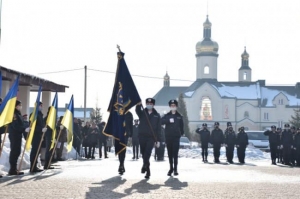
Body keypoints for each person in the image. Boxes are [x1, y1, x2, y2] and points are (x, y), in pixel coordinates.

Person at [136, 98, 161, 179]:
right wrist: (138, 104)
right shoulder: (143, 112)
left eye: (150, 103)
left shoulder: (157, 115)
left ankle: (144, 165)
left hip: (151, 137)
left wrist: (158, 140)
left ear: (153, 105)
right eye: (147, 103)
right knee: (143, 154)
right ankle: (148, 169)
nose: (149, 104)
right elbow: (137, 111)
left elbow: (159, 129)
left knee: (147, 153)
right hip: (142, 136)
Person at [161, 99, 184, 176]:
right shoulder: (167, 115)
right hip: (168, 136)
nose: (173, 107)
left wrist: (182, 133)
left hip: (176, 137)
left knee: (175, 154)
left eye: (174, 105)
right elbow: (161, 121)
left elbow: (182, 126)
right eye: (171, 106)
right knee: (170, 154)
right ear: (170, 106)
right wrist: (168, 120)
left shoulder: (179, 116)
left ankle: (175, 169)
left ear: (176, 106)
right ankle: (170, 168)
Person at [8, 100, 29, 175]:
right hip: (14, 135)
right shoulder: (14, 114)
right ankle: (12, 169)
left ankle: (14, 169)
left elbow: (21, 124)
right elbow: (15, 125)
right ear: (16, 106)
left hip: (18, 135)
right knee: (14, 152)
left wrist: (25, 127)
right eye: (19, 105)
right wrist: (23, 129)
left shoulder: (18, 113)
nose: (20, 106)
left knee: (17, 151)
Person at [30, 101, 47, 172]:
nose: (41, 107)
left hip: (40, 135)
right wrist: (41, 129)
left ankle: (35, 166)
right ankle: (32, 167)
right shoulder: (33, 114)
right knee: (34, 151)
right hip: (35, 135)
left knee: (37, 151)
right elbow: (33, 126)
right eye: (40, 105)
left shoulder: (40, 115)